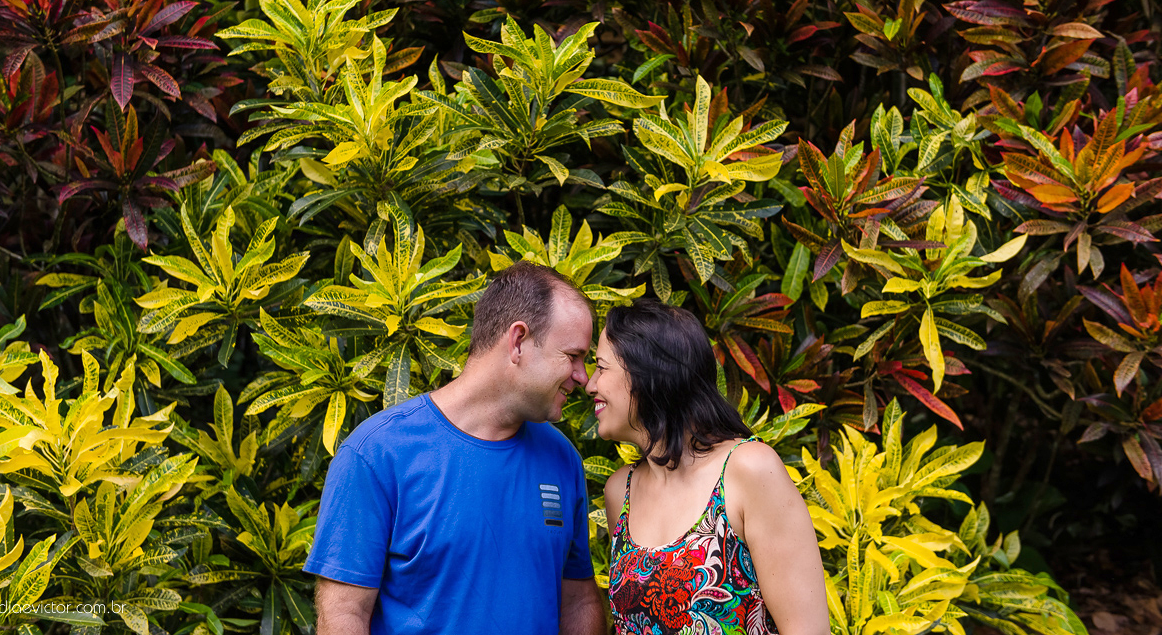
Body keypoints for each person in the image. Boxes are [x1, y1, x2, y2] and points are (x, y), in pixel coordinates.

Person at [304, 261, 606, 635]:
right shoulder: (376, 455)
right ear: (518, 342)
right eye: (573, 356)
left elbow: (578, 600)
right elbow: (343, 616)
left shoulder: (562, 458)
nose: (583, 376)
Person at [585, 298, 830, 635]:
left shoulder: (748, 471)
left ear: (646, 371)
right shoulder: (620, 491)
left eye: (601, 367)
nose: (589, 384)